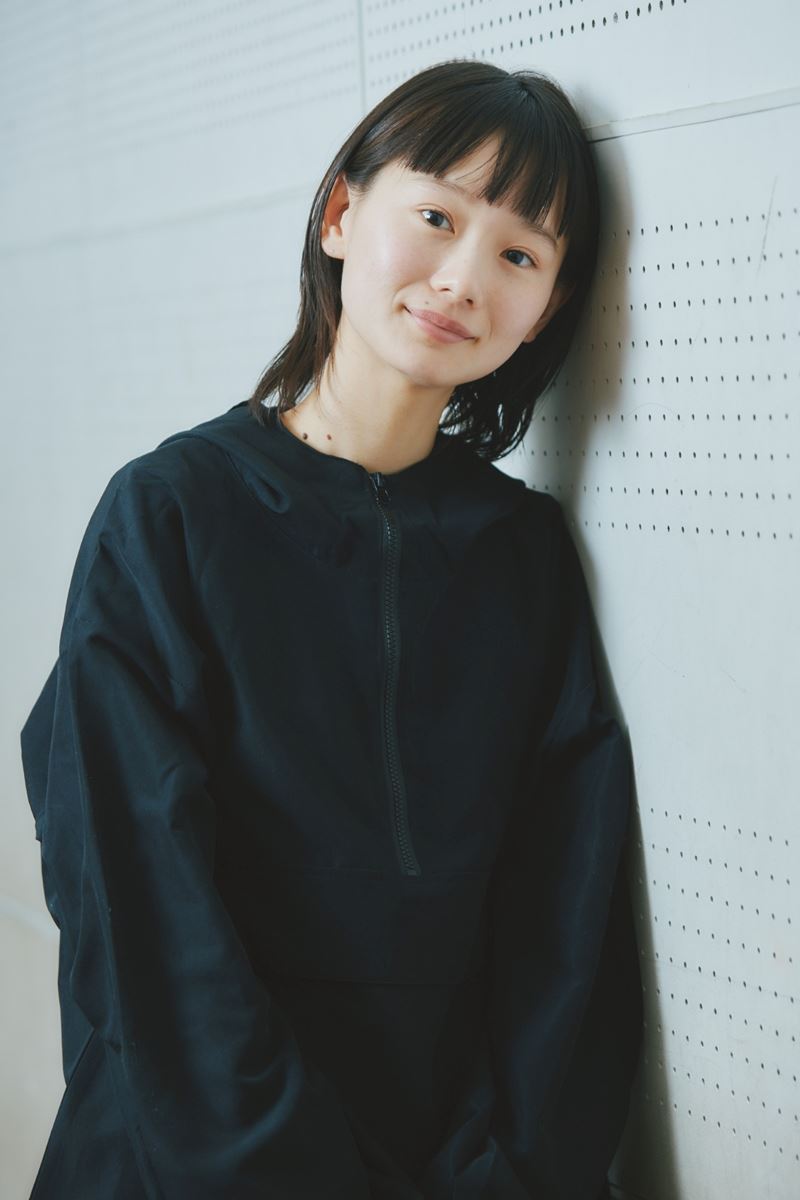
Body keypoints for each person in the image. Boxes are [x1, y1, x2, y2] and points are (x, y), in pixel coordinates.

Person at [20, 59, 643, 1199]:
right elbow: (134, 896)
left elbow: (568, 907)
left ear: (549, 307)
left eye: (519, 254)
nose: (462, 278)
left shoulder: (524, 554)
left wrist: (503, 1169)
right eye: (437, 217)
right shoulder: (171, 512)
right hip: (192, 1160)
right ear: (342, 216)